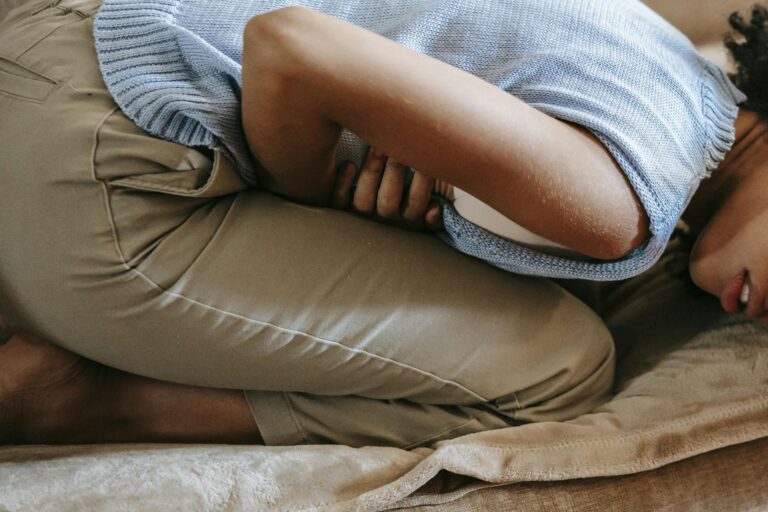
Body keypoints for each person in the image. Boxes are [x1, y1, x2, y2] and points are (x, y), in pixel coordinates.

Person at [0, 0, 766, 447]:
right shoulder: (618, 204)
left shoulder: (672, 69)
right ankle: (78, 401)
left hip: (57, 55)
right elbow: (291, 48)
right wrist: (320, 201)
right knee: (560, 366)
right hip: (97, 171)